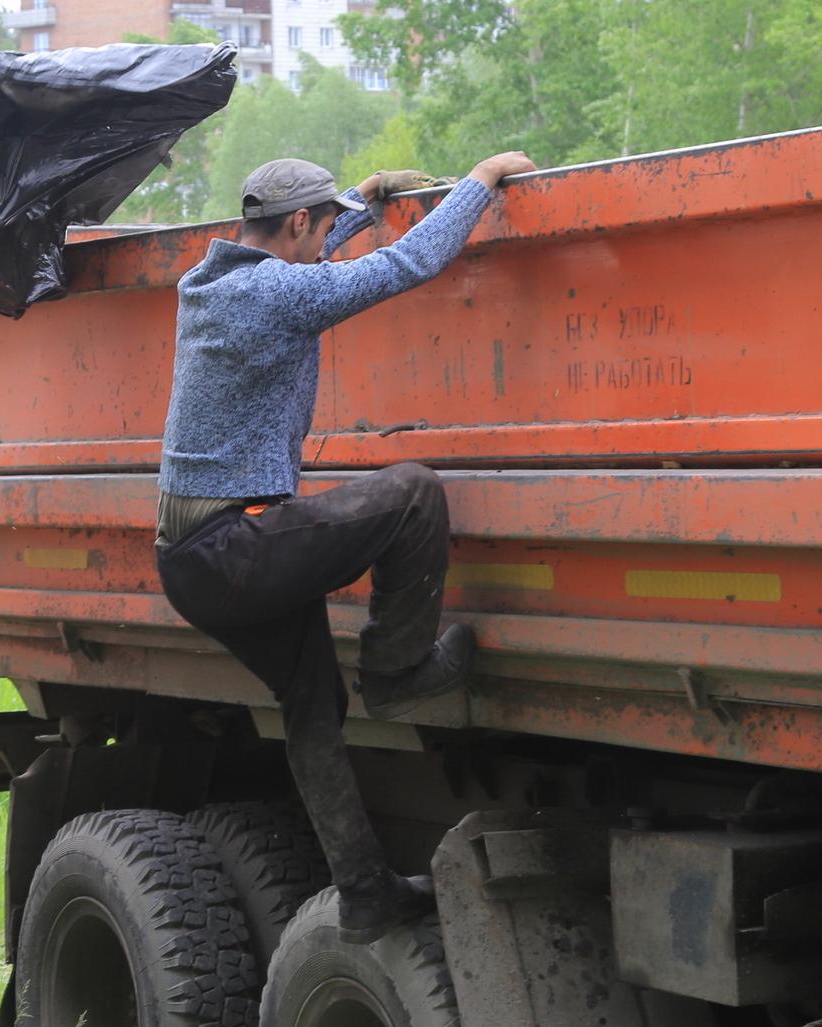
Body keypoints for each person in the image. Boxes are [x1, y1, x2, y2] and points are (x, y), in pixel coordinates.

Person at [155, 152, 537, 946]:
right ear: (296, 223)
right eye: (322, 225)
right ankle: (396, 667)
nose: (327, 237)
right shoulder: (273, 294)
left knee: (313, 706)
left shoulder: (216, 281)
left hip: (189, 553)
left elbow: (309, 264)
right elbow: (408, 265)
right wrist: (480, 180)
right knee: (410, 490)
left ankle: (365, 891)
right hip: (235, 543)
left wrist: (357, 207)